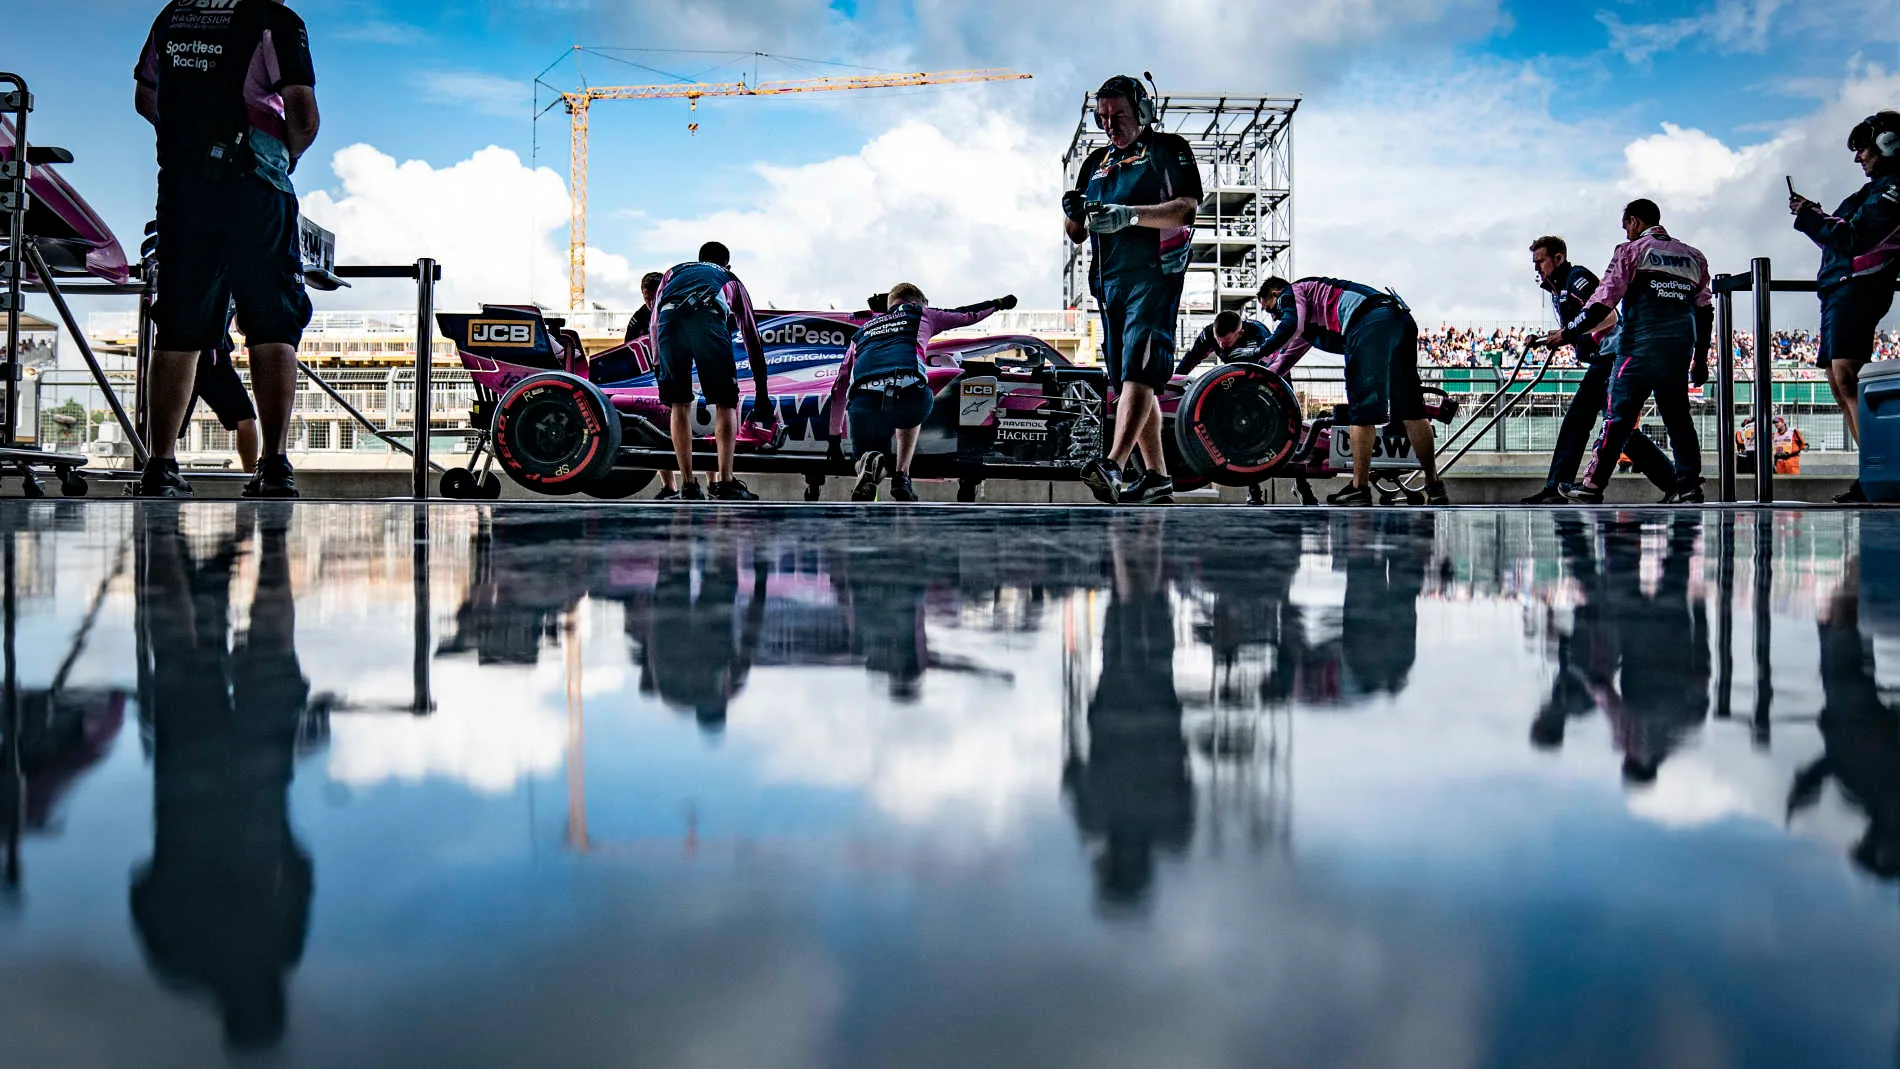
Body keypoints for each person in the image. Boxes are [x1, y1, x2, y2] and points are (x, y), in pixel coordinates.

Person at [132, 507, 314, 1050]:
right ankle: (169, 543)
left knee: (270, 655)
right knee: (180, 655)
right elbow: (142, 889)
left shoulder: (283, 948)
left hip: (260, 782)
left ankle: (275, 549)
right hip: (187, 785)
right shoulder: (176, 959)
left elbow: (301, 873)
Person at [134, 0, 320, 499]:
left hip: (184, 188)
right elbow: (303, 114)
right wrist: (283, 155)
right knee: (272, 320)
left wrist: (189, 142)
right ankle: (275, 464)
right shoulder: (275, 19)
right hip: (255, 184)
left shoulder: (172, 16)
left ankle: (161, 464)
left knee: (179, 326)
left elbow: (145, 96)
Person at [1064, 75, 1202, 505]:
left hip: (1154, 274)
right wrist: (1072, 212)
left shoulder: (1168, 149)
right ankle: (1158, 478)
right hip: (1109, 283)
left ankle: (1115, 464)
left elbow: (1186, 209)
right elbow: (1076, 234)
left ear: (1141, 111)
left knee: (1141, 368)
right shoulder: (1095, 162)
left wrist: (1129, 216)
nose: (1110, 125)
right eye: (1103, 117)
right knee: (1126, 378)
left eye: (1119, 116)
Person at [1555, 199, 1712, 505]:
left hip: (1638, 349)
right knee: (1679, 419)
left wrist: (1567, 333)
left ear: (1635, 221)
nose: (1626, 231)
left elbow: (1601, 303)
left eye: (1626, 224)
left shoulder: (1630, 251)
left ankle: (1592, 486)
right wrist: (1701, 359)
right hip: (1678, 351)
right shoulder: (1694, 256)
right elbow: (1705, 311)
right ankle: (1689, 487)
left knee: (1617, 420)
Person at [1254, 276, 1450, 505]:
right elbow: (1286, 358)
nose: (1274, 317)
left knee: (1361, 411)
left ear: (1276, 294)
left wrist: (1257, 352)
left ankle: (1360, 487)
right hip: (1399, 319)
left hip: (1370, 323)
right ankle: (1434, 484)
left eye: (1270, 309)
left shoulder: (1292, 292)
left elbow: (1290, 326)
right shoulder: (1308, 316)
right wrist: (1260, 377)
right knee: (1412, 410)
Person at [1791, 111, 1900, 504]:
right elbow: (1840, 236)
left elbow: (1852, 238)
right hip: (1841, 291)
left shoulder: (1892, 191)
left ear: (1889, 145)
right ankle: (1872, 471)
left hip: (1858, 289)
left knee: (1848, 377)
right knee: (1838, 381)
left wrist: (1810, 217)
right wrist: (1816, 216)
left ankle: (1878, 471)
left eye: (1864, 149)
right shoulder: (1871, 192)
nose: (1859, 158)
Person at [1521, 235, 1675, 504]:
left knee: (1578, 420)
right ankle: (1674, 483)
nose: (1537, 268)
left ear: (1558, 258)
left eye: (1541, 261)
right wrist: (1549, 337)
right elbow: (1578, 325)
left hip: (1613, 356)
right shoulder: (1558, 288)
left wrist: (1567, 334)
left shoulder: (1577, 279)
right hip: (1605, 358)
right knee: (1619, 429)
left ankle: (1556, 487)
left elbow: (1608, 315)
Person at [829, 283, 1015, 502]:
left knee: (863, 460)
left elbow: (840, 385)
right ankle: (902, 477)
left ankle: (870, 463)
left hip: (864, 399)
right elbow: (967, 314)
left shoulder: (862, 332)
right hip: (908, 390)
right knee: (911, 405)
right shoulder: (920, 313)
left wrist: (833, 438)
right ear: (917, 302)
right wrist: (998, 304)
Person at [651, 242, 773, 501]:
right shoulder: (731, 279)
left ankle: (687, 484)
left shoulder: (674, 272)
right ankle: (726, 482)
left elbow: (654, 318)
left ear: (698, 259)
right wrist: (762, 392)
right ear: (727, 264)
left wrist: (657, 363)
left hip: (668, 323)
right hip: (707, 320)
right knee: (726, 401)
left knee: (678, 403)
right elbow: (752, 339)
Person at [609, 271, 680, 499]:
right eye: (646, 299)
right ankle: (670, 487)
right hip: (651, 383)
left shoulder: (679, 311)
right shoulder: (638, 319)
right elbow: (627, 352)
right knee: (657, 433)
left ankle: (713, 483)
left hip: (683, 377)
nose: (650, 303)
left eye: (654, 298)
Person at [184, 324, 262, 474]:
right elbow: (242, 326)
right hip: (213, 352)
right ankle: (251, 474)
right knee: (244, 416)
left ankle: (159, 465)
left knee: (167, 421)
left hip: (185, 348)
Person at [1174, 310, 1272, 376]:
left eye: (1226, 341)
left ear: (1240, 333)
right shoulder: (1209, 333)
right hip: (1233, 366)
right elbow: (1192, 357)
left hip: (1266, 366)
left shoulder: (1258, 334)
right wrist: (1176, 380)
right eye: (1218, 340)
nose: (1221, 346)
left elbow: (1272, 362)